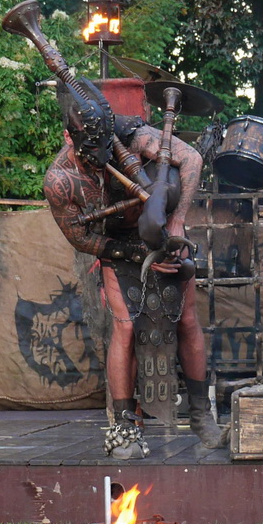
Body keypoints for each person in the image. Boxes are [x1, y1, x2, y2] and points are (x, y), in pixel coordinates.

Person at [43, 77, 224, 458]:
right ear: (67, 136)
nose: (101, 153)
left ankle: (200, 412)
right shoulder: (60, 180)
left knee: (187, 319)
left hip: (163, 231)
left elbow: (191, 158)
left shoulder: (131, 134)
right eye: (91, 149)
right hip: (117, 244)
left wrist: (175, 224)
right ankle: (125, 426)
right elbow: (79, 237)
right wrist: (132, 255)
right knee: (125, 329)